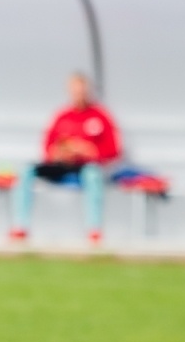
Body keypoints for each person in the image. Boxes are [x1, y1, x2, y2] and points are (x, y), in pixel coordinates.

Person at [10, 72, 120, 245]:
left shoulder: (100, 116)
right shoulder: (62, 116)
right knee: (26, 171)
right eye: (75, 91)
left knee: (93, 174)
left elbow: (114, 150)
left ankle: (94, 230)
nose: (79, 95)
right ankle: (20, 227)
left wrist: (89, 150)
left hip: (85, 167)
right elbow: (47, 147)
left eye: (82, 90)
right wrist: (58, 152)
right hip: (61, 166)